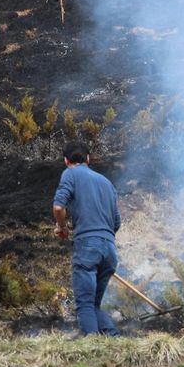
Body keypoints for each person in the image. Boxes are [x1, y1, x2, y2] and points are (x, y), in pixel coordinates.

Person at [53, 141, 121, 336]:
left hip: (88, 247)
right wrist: (102, 239)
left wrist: (62, 227)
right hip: (109, 249)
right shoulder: (107, 183)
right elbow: (116, 222)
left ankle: (92, 346)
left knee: (84, 304)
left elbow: (58, 207)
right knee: (93, 305)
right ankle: (114, 338)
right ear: (88, 159)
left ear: (66, 161)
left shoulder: (70, 174)